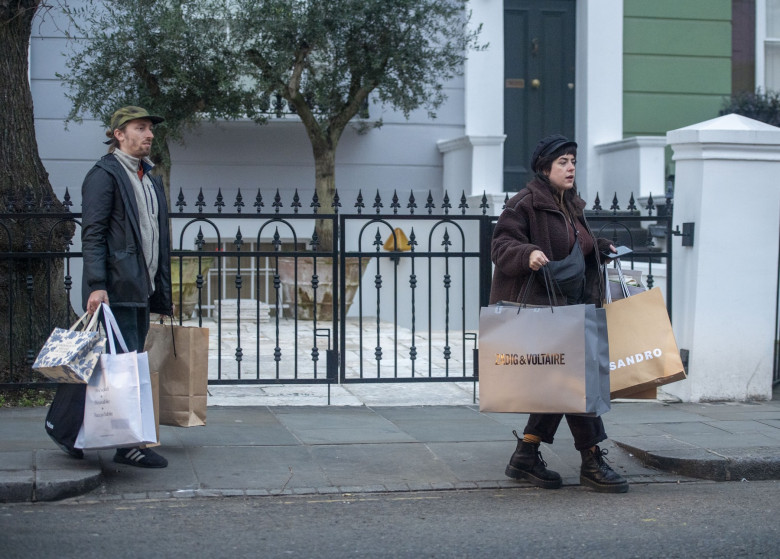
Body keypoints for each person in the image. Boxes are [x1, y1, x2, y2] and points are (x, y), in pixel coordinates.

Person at [489, 134, 628, 493]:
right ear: (544, 167)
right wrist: (527, 254)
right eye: (563, 162)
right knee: (574, 383)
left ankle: (526, 455)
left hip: (571, 307)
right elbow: (501, 245)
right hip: (544, 308)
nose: (570, 167)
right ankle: (592, 458)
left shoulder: (570, 205)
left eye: (573, 161)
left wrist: (598, 246)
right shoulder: (524, 204)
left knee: (559, 382)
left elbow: (575, 247)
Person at [80, 106, 173, 468]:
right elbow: (93, 234)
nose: (148, 134)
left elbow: (155, 239)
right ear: (118, 133)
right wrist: (97, 285)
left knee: (115, 367)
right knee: (117, 369)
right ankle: (127, 444)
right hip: (116, 290)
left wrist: (160, 293)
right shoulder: (105, 174)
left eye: (150, 128)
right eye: (140, 128)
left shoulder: (148, 178)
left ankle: (75, 434)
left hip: (140, 289)